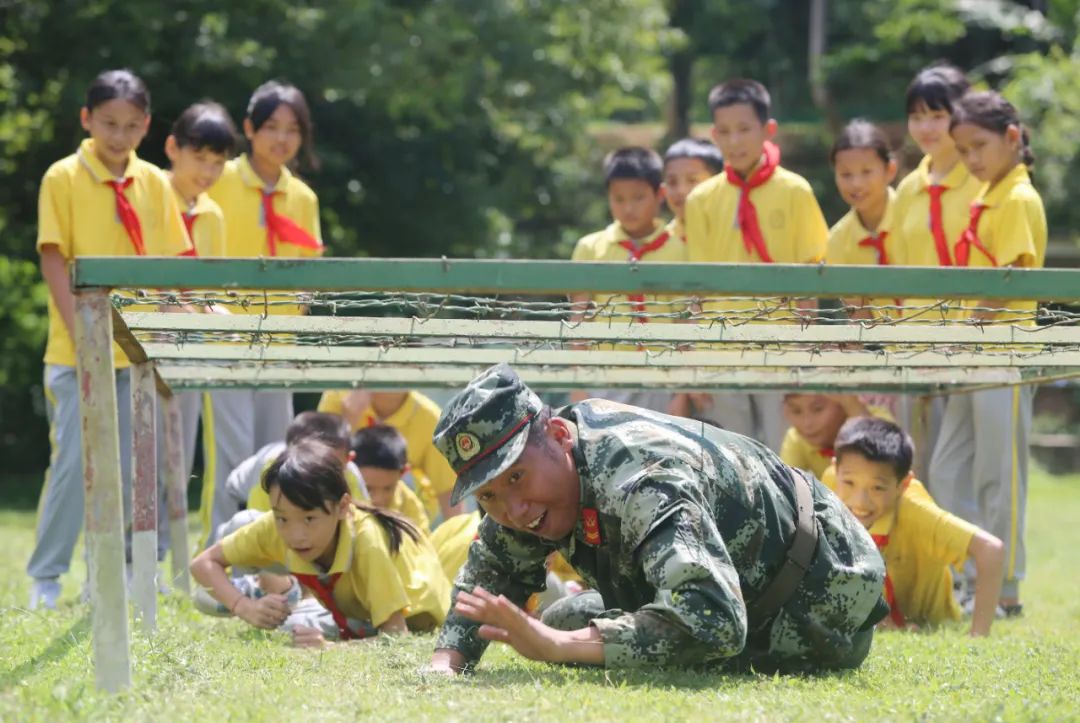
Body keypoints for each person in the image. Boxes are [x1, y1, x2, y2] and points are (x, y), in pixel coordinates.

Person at [425, 363, 887, 674]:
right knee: (567, 618)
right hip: (747, 589)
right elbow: (494, 570)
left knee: (568, 636)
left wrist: (555, 647)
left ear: (559, 434)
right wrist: (446, 663)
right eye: (489, 495)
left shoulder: (640, 476)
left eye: (518, 477)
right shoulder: (533, 484)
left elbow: (713, 619)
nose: (514, 509)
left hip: (822, 591)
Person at [28, 69, 192, 609]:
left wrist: (173, 327)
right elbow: (54, 257)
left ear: (145, 126)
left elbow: (173, 264)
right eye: (107, 124)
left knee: (133, 467)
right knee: (75, 464)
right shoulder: (62, 177)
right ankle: (46, 579)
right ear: (86, 120)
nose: (118, 137)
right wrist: (83, 337)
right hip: (75, 351)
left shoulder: (155, 183)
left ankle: (123, 569)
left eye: (130, 126)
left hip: (137, 352)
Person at [925, 90, 1047, 615]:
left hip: (1003, 351)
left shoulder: (1017, 197)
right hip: (970, 354)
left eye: (980, 145)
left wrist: (962, 332)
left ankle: (1007, 589)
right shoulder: (988, 195)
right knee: (947, 468)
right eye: (963, 149)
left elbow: (1009, 280)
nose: (972, 159)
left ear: (1013, 139)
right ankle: (968, 579)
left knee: (1001, 475)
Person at [200, 81, 324, 548]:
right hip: (224, 342)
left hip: (281, 345)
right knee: (229, 455)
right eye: (271, 126)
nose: (282, 139)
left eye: (293, 129)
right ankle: (216, 553)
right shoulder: (221, 178)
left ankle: (267, 554)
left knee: (275, 456)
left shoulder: (304, 198)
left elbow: (309, 276)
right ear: (249, 128)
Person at [684, 79, 829, 450]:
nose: (735, 141)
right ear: (713, 135)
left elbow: (813, 279)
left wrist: (805, 355)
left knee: (786, 453)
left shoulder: (795, 191)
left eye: (745, 129)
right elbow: (696, 288)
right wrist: (696, 361)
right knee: (732, 454)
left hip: (781, 349)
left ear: (769, 129)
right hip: (721, 348)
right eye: (726, 132)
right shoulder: (701, 199)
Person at [191, 440, 450, 647]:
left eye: (310, 518)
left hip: (416, 618)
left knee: (299, 633)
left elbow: (398, 637)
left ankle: (283, 592)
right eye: (282, 518)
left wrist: (330, 649)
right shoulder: (278, 525)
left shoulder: (367, 542)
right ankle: (275, 591)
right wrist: (244, 607)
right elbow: (203, 563)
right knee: (204, 596)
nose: (295, 535)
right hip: (351, 612)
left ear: (342, 508)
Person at [828, 417, 1005, 635]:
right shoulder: (828, 486)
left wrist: (978, 635)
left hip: (929, 620)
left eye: (877, 487)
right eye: (849, 483)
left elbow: (991, 549)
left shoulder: (915, 511)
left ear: (903, 484)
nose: (860, 501)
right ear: (836, 470)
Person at [158, 101, 237, 567]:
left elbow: (209, 289)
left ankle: (164, 562)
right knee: (134, 462)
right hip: (139, 347)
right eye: (200, 158)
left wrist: (217, 312)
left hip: (189, 351)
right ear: (173, 148)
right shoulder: (149, 193)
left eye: (218, 161)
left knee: (177, 461)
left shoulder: (215, 216)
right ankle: (122, 562)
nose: (208, 171)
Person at [568, 147, 686, 412]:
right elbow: (579, 318)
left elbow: (685, 321)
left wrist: (682, 388)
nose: (628, 208)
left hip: (662, 376)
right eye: (618, 199)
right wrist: (577, 380)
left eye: (638, 197)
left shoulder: (679, 249)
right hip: (605, 375)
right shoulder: (591, 248)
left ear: (660, 195)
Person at [210, 411, 369, 546]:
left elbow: (361, 521)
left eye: (331, 467)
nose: (321, 471)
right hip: (241, 496)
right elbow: (262, 525)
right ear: (291, 456)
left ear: (348, 459)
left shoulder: (351, 474)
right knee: (244, 524)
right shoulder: (272, 469)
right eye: (312, 464)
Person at [318, 389, 460, 521]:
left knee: (406, 480)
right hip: (348, 511)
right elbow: (319, 471)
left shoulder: (430, 418)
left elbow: (448, 491)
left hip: (407, 516)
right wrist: (348, 420)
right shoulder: (338, 397)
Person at [825, 119, 900, 319]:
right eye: (845, 174)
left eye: (867, 172)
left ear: (890, 170)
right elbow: (860, 317)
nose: (856, 184)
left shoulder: (914, 217)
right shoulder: (837, 241)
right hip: (888, 347)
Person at [779, 393, 893, 479]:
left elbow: (885, 467)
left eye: (818, 409)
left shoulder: (877, 421)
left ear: (843, 402)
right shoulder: (796, 438)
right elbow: (785, 488)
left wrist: (855, 408)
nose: (807, 423)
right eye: (796, 411)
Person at [351, 424, 431, 532]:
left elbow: (422, 543)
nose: (378, 500)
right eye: (368, 489)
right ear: (351, 470)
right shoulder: (342, 498)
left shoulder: (410, 506)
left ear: (402, 472)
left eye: (388, 488)